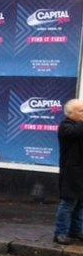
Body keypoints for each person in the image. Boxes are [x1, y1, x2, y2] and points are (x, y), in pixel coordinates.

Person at [53, 99, 83, 245]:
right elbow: (75, 133)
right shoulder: (66, 126)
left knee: (80, 204)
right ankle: (60, 233)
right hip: (71, 173)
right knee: (68, 204)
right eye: (81, 111)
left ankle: (76, 231)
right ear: (71, 114)